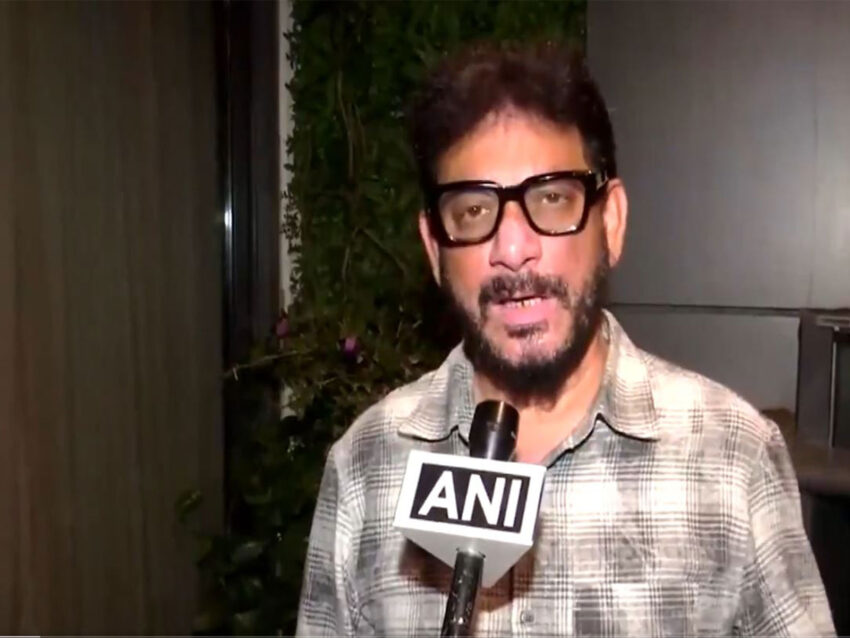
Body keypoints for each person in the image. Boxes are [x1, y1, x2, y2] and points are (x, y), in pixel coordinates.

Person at [295, 42, 835, 637]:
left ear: (611, 222)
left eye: (552, 198)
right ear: (434, 249)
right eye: (473, 211)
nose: (512, 249)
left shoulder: (733, 457)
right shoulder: (364, 465)